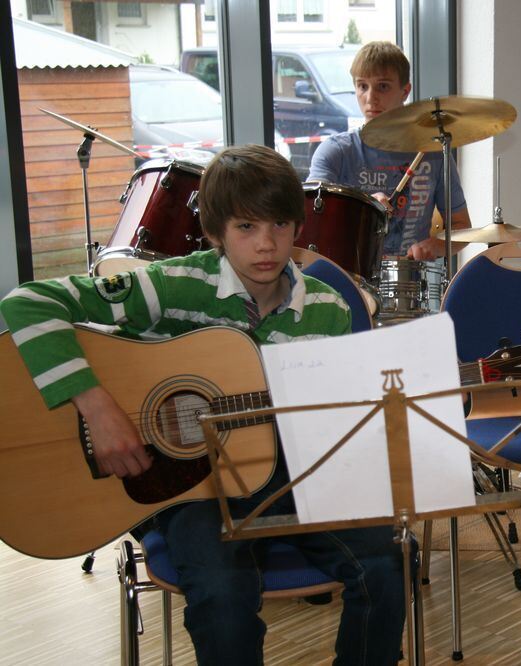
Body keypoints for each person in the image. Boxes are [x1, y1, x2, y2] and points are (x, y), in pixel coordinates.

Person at [0, 145, 406, 665]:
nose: (266, 245)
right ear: (214, 232)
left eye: (281, 225)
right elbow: (27, 302)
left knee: (383, 564)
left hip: (288, 474)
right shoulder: (174, 285)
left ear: (299, 227)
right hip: (190, 483)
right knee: (222, 592)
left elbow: (329, 424)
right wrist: (97, 407)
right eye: (245, 228)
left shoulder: (325, 309)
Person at [308, 40, 472, 260]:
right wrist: (363, 207)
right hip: (348, 281)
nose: (370, 98)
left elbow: (462, 226)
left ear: (405, 91)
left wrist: (435, 246)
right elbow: (312, 223)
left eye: (383, 86)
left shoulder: (431, 152)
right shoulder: (335, 152)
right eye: (362, 86)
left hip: (410, 283)